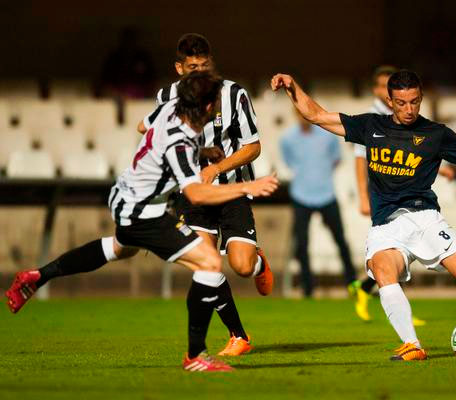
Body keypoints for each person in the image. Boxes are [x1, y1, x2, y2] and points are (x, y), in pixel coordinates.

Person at [272, 69, 456, 361]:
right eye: (401, 102)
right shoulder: (370, 126)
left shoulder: (436, 134)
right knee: (383, 270)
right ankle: (412, 344)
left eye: (414, 101)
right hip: (386, 225)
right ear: (390, 101)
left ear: (421, 98)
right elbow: (316, 115)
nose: (409, 109)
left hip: (424, 218)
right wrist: (292, 86)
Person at [5, 71, 279, 372]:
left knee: (119, 249)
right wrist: (246, 187)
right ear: (205, 107)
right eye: (213, 103)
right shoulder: (182, 142)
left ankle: (38, 276)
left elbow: (146, 128)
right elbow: (196, 194)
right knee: (210, 263)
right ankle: (196, 355)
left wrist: (202, 152)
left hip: (124, 200)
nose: (215, 108)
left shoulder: (167, 113)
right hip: (146, 214)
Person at [139, 33, 273, 356]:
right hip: (193, 193)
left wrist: (216, 167)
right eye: (192, 67)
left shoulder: (234, 94)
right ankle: (238, 335)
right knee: (206, 265)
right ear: (179, 68)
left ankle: (257, 264)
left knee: (240, 266)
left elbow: (253, 147)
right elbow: (150, 131)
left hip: (230, 188)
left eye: (204, 65)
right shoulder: (166, 97)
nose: (199, 71)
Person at [348, 66, 427, 326]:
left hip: (402, 193)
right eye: (381, 87)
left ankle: (365, 288)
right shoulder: (374, 119)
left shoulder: (403, 115)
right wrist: (362, 196)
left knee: (400, 249)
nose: (385, 92)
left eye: (387, 86)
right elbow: (360, 159)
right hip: (383, 196)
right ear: (377, 91)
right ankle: (377, 294)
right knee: (397, 249)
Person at [280, 109, 356, 297]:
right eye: (299, 114)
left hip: (326, 194)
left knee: (340, 240)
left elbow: (336, 159)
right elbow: (289, 163)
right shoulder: (287, 139)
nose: (303, 117)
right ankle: (308, 289)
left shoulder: (328, 136)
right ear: (295, 116)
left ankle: (352, 284)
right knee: (302, 244)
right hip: (301, 195)